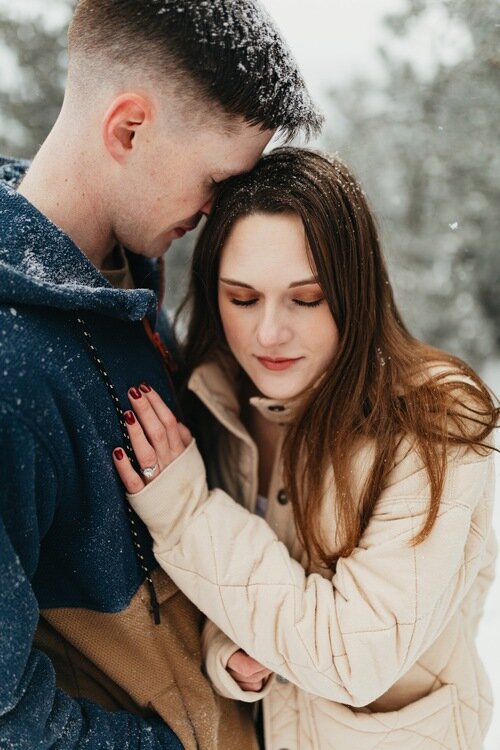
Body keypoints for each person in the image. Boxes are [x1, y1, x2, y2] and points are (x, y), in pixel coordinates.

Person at [0, 1, 322, 747]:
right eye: (215, 179)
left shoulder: (130, 292)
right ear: (129, 129)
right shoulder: (12, 364)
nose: (216, 212)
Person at [114, 148, 499, 750]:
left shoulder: (436, 422)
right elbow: (229, 592)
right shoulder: (213, 399)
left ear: (355, 290)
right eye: (242, 299)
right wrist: (230, 652)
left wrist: (186, 515)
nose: (269, 334)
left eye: (307, 297)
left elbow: (353, 654)